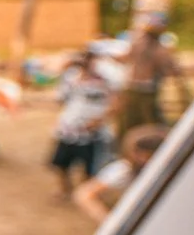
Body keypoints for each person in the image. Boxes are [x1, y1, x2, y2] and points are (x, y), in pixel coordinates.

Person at [49, 54, 115, 199]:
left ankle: (85, 192)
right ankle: (66, 189)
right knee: (60, 163)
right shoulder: (71, 79)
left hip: (92, 132)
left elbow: (116, 102)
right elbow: (61, 99)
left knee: (90, 166)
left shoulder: (106, 81)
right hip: (69, 128)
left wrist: (98, 121)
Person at [75, 124, 168, 223]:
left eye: (149, 155)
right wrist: (110, 222)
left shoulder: (165, 168)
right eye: (139, 154)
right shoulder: (123, 170)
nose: (143, 159)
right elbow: (84, 194)